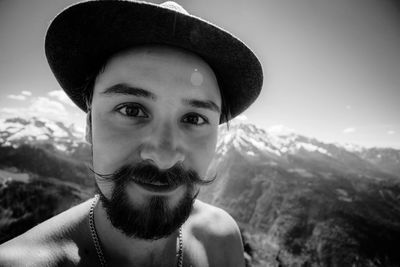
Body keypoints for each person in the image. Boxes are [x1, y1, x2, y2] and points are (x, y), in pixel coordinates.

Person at [0, 1, 263, 266]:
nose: (163, 157)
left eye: (194, 118)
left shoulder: (223, 240)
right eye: (132, 110)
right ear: (89, 124)